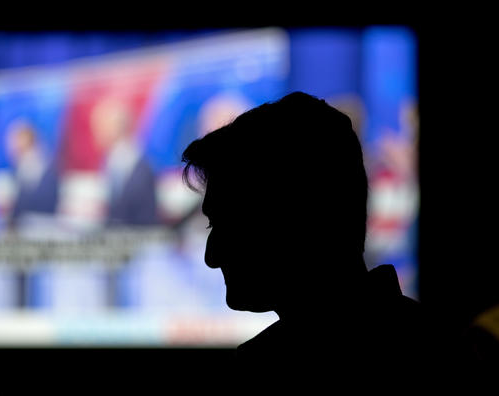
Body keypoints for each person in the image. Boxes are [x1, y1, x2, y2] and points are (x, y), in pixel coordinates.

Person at [181, 92, 460, 389]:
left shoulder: (264, 373)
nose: (212, 255)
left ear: (293, 221)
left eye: (229, 224)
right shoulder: (443, 351)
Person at [91, 98, 157, 225]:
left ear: (114, 128)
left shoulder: (139, 167)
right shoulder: (110, 161)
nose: (95, 132)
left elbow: (145, 217)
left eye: (99, 126)